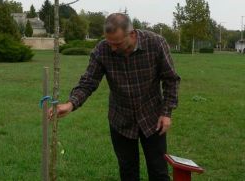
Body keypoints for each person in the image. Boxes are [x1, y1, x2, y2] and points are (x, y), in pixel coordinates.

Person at [48, 13, 181, 181]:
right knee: (128, 171)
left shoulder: (156, 43)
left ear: (132, 34)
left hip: (153, 118)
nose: (112, 48)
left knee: (159, 171)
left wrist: (166, 112)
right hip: (121, 120)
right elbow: (88, 82)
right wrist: (70, 104)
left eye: (117, 43)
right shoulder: (102, 50)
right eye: (109, 43)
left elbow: (171, 79)